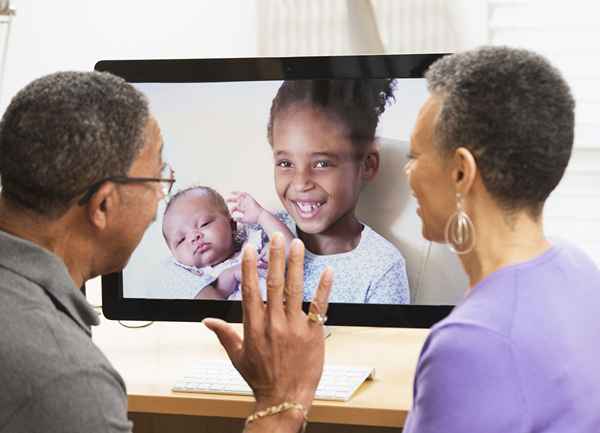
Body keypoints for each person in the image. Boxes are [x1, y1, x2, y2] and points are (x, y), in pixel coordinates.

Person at [211, 46, 600, 432]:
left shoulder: (469, 346)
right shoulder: (579, 270)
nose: (407, 174)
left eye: (416, 157)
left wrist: (279, 403)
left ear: (461, 173)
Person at [0, 71, 332, 433]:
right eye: (158, 177)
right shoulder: (66, 382)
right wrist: (279, 403)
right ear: (103, 206)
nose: (162, 196)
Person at [266, 78, 410, 304]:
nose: (300, 183)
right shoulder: (262, 230)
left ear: (367, 165)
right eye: (285, 163)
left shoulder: (382, 268)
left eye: (322, 163)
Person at [160, 185, 294, 299]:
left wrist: (261, 215)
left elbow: (290, 250)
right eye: (181, 240)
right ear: (175, 257)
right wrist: (229, 277)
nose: (194, 237)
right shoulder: (195, 279)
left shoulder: (254, 248)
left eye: (204, 224)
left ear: (232, 225)